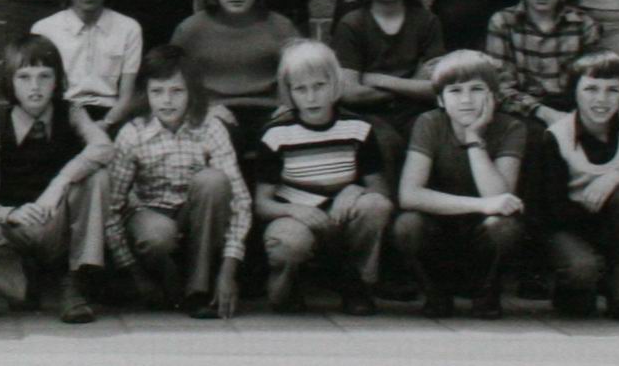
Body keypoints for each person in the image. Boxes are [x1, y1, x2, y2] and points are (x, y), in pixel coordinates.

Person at [0, 34, 114, 324]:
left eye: (44, 76)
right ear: (10, 82)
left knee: (98, 177)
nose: (35, 86)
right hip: (21, 228)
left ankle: (77, 280)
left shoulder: (72, 114)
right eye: (24, 77)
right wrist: (12, 214)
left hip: (61, 222)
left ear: (57, 81)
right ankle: (24, 288)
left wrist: (60, 183)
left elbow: (103, 146)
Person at [105, 44, 251, 319]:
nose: (167, 101)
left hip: (196, 224)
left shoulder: (210, 127)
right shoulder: (132, 134)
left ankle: (200, 289)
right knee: (158, 234)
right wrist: (133, 273)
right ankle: (166, 284)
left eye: (177, 91)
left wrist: (229, 271)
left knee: (213, 181)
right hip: (150, 222)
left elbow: (241, 201)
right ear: (145, 94)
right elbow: (112, 208)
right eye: (157, 91)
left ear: (191, 93)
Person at [254, 40, 392, 316]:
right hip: (295, 219)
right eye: (300, 89)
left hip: (341, 217)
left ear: (335, 84)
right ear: (289, 93)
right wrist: (295, 211)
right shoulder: (276, 134)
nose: (311, 97)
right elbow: (262, 204)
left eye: (319, 86)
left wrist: (354, 191)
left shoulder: (357, 128)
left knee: (375, 206)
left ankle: (356, 284)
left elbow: (381, 190)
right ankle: (289, 285)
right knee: (290, 245)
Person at [537, 50, 619, 326]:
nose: (601, 99)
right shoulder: (557, 135)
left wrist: (618, 175)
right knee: (581, 277)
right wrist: (597, 237)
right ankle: (577, 285)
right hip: (572, 226)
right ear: (575, 92)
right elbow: (550, 209)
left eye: (612, 90)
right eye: (591, 89)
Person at [393, 50, 526, 319]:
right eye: (455, 91)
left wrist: (474, 139)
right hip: (439, 228)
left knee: (504, 226)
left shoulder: (511, 128)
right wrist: (482, 204)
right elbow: (409, 194)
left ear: (493, 96)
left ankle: (486, 295)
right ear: (441, 99)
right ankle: (436, 294)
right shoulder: (429, 123)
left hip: (482, 233)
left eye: (476, 89)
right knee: (407, 225)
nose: (466, 100)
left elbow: (500, 198)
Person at [170, 0, 297, 159]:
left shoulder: (281, 27)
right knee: (219, 139)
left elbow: (303, 76)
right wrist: (201, 109)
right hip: (214, 114)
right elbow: (172, 84)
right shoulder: (191, 30)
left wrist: (290, 106)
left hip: (271, 114)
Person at [332, 0, 445, 152]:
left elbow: (437, 88)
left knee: (434, 137)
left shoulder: (427, 21)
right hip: (367, 115)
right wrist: (412, 82)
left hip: (417, 114)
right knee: (385, 143)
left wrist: (379, 80)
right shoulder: (352, 24)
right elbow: (349, 93)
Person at [486, 0, 602, 127]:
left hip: (571, 110)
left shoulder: (583, 24)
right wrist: (543, 113)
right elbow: (500, 87)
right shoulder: (503, 22)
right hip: (523, 111)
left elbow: (593, 83)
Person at [32, 0, 143, 133]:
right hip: (62, 117)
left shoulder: (129, 28)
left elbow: (127, 95)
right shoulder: (44, 29)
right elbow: (42, 91)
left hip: (112, 116)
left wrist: (105, 124)